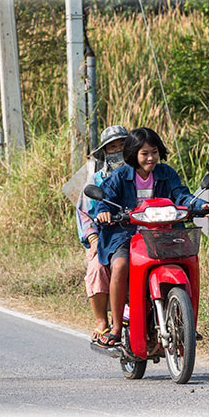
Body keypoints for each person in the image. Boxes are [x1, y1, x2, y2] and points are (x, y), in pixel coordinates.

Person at [93, 127, 209, 347]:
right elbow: (105, 199)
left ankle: (187, 323)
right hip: (127, 234)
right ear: (133, 154)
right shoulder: (120, 176)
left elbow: (182, 195)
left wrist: (200, 205)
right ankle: (116, 327)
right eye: (144, 153)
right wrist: (103, 211)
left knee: (190, 261)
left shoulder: (167, 173)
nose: (151, 158)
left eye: (154, 152)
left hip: (165, 233)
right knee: (120, 265)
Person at [75, 125, 128, 344]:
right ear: (105, 153)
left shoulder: (144, 175)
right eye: (112, 148)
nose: (118, 152)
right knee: (97, 268)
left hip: (144, 234)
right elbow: (86, 214)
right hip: (109, 238)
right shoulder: (97, 181)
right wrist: (94, 240)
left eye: (124, 146)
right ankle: (102, 323)